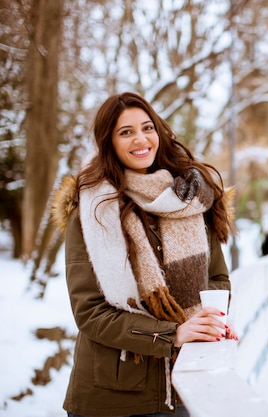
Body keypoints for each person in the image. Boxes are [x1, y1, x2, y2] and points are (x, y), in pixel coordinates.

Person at [51, 92, 238, 417]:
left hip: (182, 387)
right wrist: (172, 333)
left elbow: (217, 279)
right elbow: (90, 311)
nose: (140, 139)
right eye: (126, 132)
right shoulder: (94, 210)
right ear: (108, 141)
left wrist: (209, 321)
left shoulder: (191, 201)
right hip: (111, 398)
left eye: (147, 127)